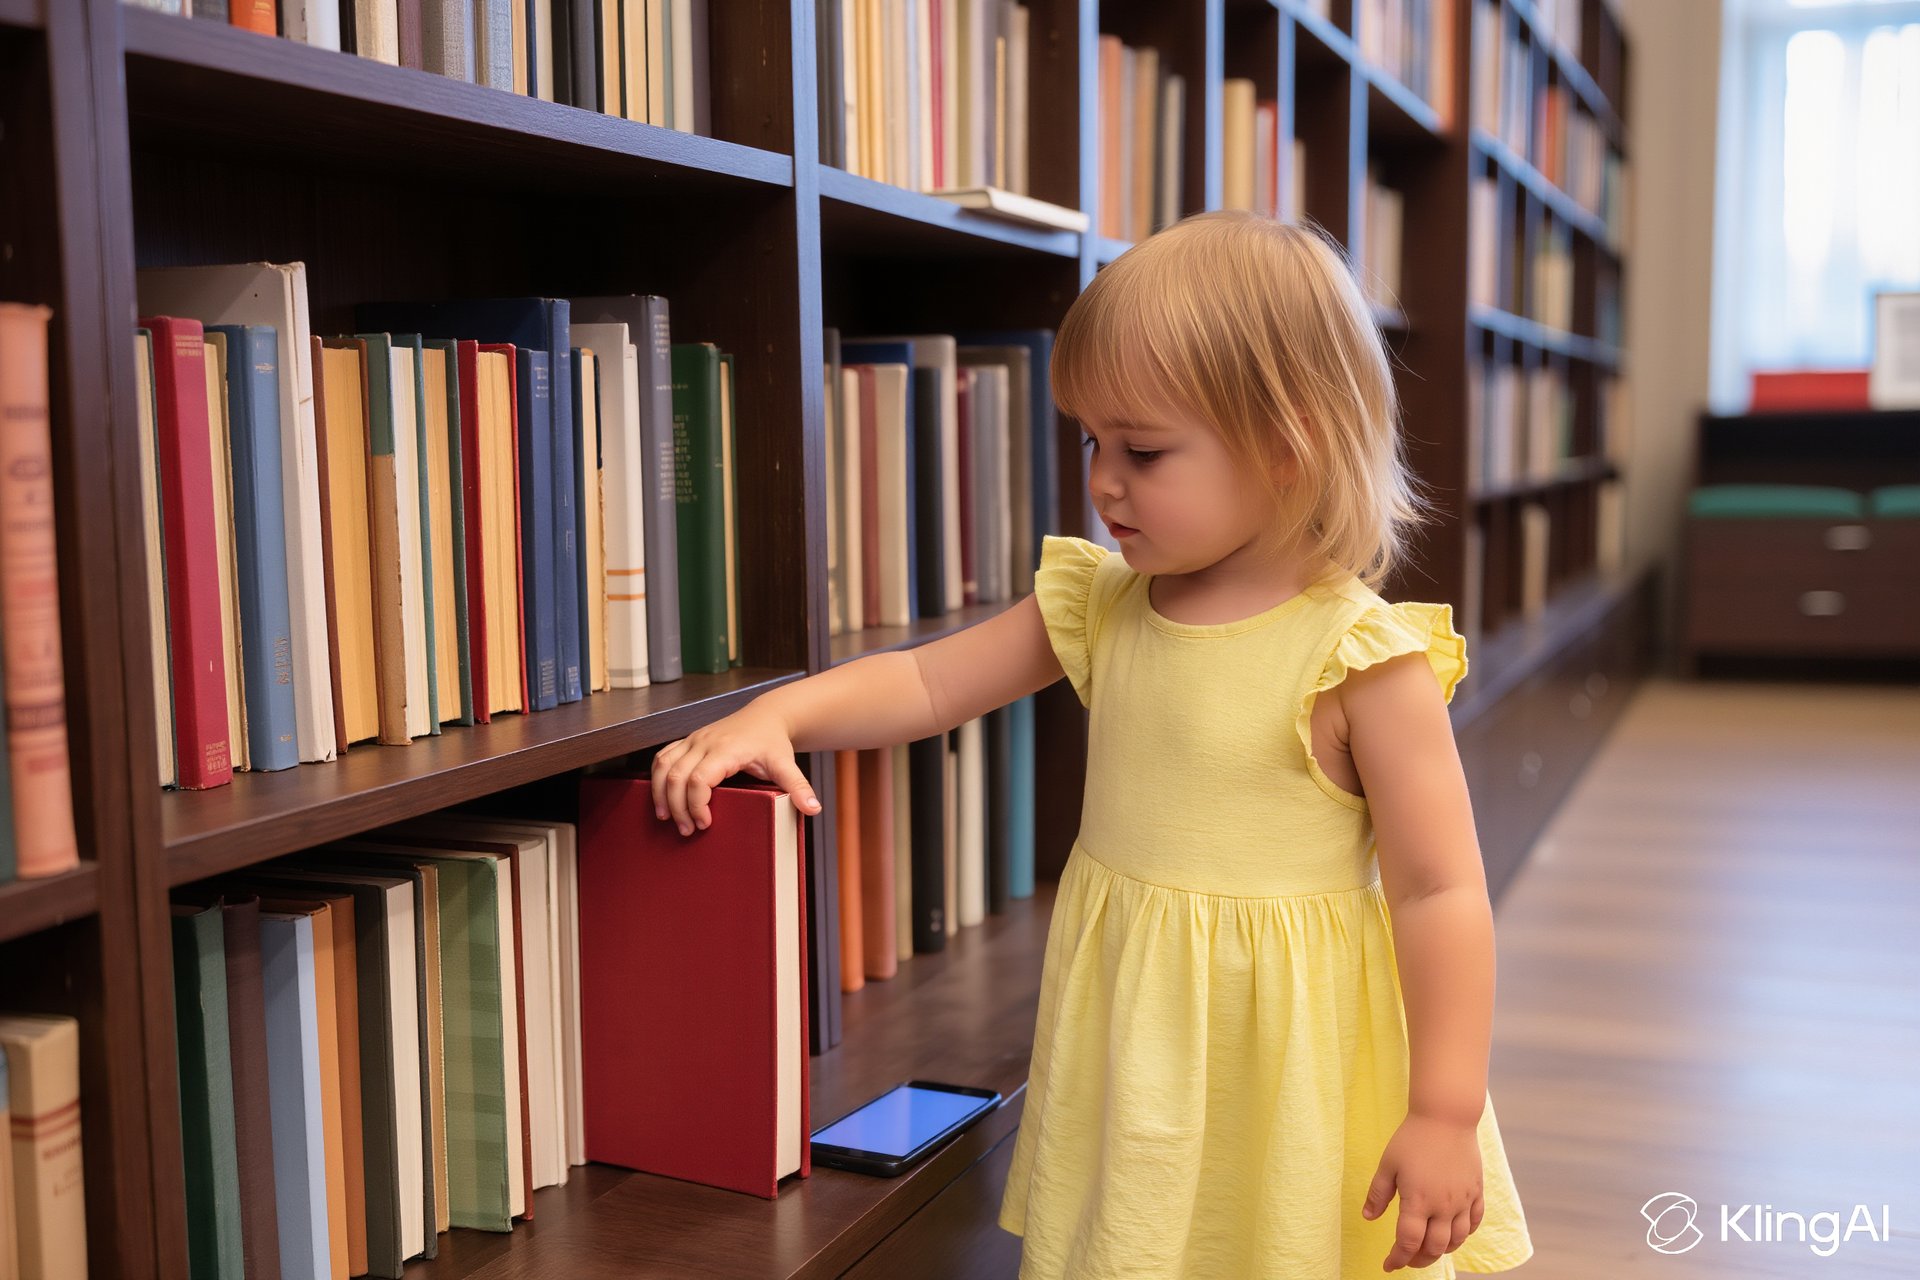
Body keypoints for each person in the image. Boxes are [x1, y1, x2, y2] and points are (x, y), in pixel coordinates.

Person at [648, 210, 1535, 1278]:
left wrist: (1444, 1107)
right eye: (1090, 441)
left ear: (1289, 448)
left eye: (1143, 450)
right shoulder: (1107, 601)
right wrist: (779, 715)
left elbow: (1441, 891)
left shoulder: (1360, 658)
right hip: (1139, 1034)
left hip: (1292, 1056)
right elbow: (931, 679)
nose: (1104, 480)